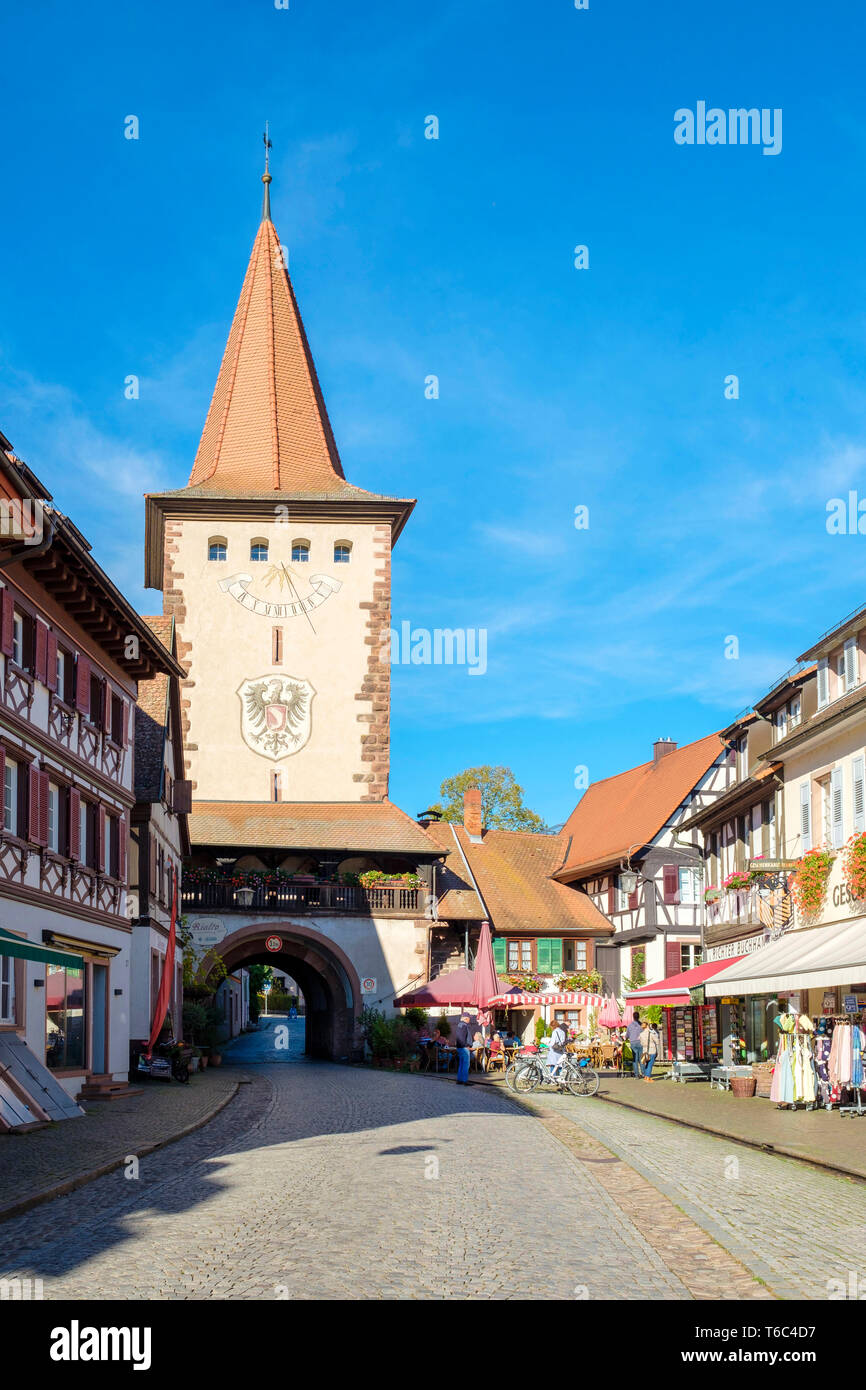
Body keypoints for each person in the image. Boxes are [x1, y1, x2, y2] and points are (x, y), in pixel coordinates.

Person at [454, 1012, 474, 1085]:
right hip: (464, 1048)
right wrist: (466, 1046)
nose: (470, 1020)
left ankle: (459, 1080)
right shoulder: (464, 1025)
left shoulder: (460, 1025)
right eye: (469, 1018)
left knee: (461, 1064)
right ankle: (465, 1080)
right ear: (466, 1018)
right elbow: (462, 1038)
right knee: (465, 1065)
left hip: (460, 1047)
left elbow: (459, 1038)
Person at [625, 1013, 643, 1079]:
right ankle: (643, 1073)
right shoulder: (641, 1025)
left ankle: (636, 1075)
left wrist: (626, 1038)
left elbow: (627, 1036)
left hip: (633, 1043)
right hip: (640, 1042)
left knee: (635, 1060)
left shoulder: (629, 1026)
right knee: (641, 1059)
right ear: (639, 1016)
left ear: (633, 1017)